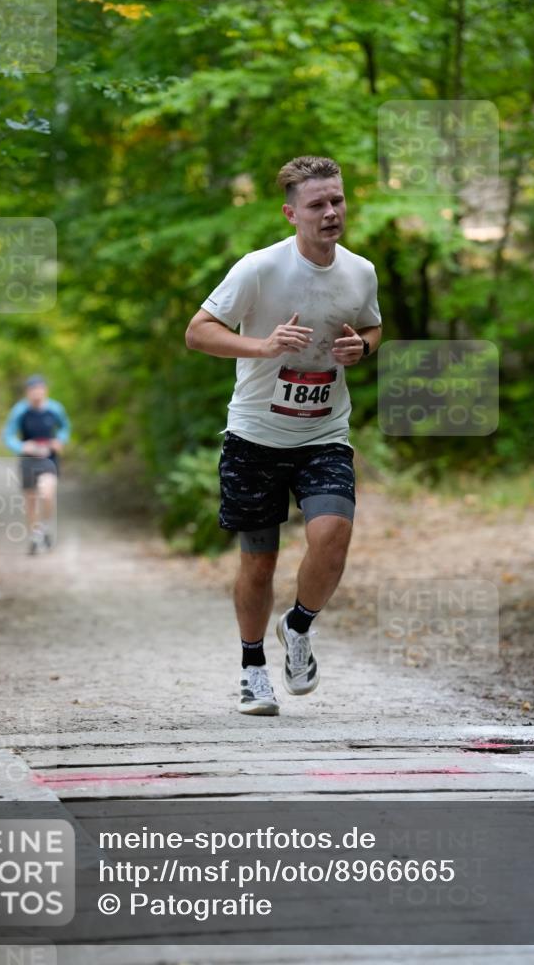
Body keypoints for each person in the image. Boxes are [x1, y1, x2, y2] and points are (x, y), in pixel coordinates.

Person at [185, 156, 382, 716]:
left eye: (337, 200)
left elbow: (372, 325)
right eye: (317, 204)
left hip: (324, 432)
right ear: (291, 213)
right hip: (255, 437)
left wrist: (363, 347)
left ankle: (298, 625)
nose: (331, 212)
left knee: (332, 536)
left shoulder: (360, 271)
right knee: (259, 562)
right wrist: (263, 346)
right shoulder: (259, 268)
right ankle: (253, 670)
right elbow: (198, 332)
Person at [2, 375, 71, 555]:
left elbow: (65, 427)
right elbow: (8, 435)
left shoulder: (55, 409)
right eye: (33, 390)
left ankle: (45, 527)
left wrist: (60, 440)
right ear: (27, 392)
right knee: (31, 500)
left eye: (40, 389)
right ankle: (35, 536)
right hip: (28, 459)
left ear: (45, 390)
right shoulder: (20, 411)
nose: (36, 393)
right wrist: (22, 446)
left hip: (49, 458)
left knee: (47, 493)